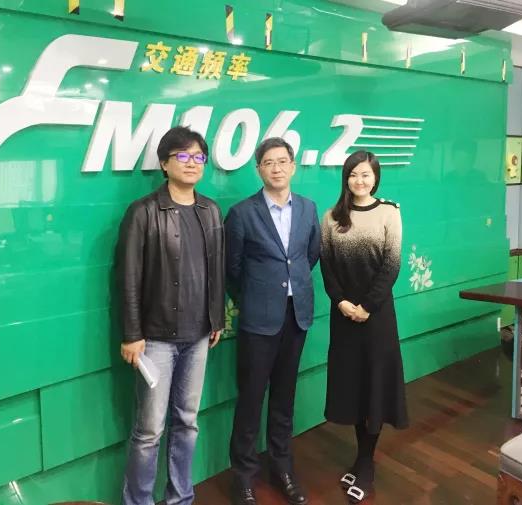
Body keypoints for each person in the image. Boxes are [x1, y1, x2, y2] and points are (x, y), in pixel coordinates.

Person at [118, 126, 225, 505]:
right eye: (183, 156)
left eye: (198, 157)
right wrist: (131, 333)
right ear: (165, 163)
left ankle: (181, 498)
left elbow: (217, 270)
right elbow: (127, 277)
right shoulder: (143, 211)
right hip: (155, 339)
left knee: (187, 422)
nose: (192, 163)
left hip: (199, 336)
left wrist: (217, 319)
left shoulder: (210, 210)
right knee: (149, 430)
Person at [225, 137, 321, 505]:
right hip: (258, 320)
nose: (276, 168)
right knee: (251, 399)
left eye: (282, 161)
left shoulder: (309, 208)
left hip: (296, 316)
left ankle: (282, 468)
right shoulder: (242, 213)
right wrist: (256, 296)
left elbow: (309, 255)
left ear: (293, 166)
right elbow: (232, 268)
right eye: (268, 162)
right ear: (259, 170)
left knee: (284, 398)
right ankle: (243, 476)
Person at [319, 150, 409, 503]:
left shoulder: (389, 212)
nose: (359, 180)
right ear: (346, 178)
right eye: (353, 174)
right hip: (343, 316)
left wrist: (367, 306)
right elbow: (326, 266)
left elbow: (391, 265)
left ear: (375, 178)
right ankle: (361, 456)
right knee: (354, 386)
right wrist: (341, 301)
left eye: (366, 175)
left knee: (375, 385)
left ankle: (366, 463)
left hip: (377, 316)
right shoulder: (331, 217)